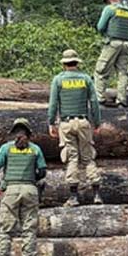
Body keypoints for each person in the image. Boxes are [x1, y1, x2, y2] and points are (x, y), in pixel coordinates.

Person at [48, 49, 103, 207]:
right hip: (84, 122)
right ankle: (97, 194)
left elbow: (53, 105)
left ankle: (73, 196)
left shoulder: (58, 80)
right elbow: (94, 103)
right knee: (87, 157)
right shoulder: (86, 79)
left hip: (66, 124)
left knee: (72, 158)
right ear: (77, 63)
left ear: (64, 64)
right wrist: (97, 123)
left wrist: (52, 123)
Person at [0, 118, 47, 256]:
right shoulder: (35, 149)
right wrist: (32, 179)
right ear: (29, 133)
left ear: (13, 133)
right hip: (30, 190)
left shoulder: (6, 148)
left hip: (10, 190)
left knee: (6, 230)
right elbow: (43, 172)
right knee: (29, 229)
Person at [94, 0, 128, 107]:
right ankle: (121, 101)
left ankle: (99, 100)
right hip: (126, 44)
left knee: (101, 71)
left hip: (112, 43)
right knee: (123, 73)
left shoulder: (109, 9)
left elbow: (100, 27)